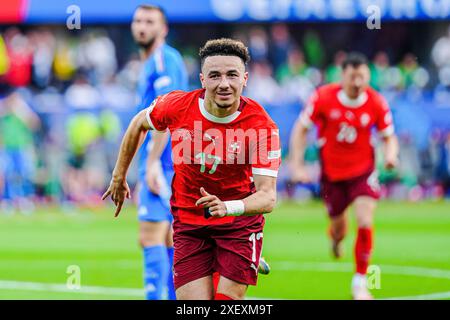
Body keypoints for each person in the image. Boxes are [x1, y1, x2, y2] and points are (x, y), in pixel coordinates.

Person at [103, 38, 280, 300]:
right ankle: (225, 262)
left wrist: (228, 207)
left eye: (232, 75)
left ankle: (233, 259)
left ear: (244, 79)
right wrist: (119, 176)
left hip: (239, 224)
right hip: (189, 222)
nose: (224, 83)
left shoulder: (261, 125)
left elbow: (268, 197)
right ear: (202, 79)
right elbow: (139, 122)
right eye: (215, 75)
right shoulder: (177, 106)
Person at [289, 52, 399, 300]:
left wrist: (391, 155)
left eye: (362, 77)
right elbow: (300, 129)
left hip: (363, 172)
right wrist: (297, 165)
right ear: (343, 76)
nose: (358, 82)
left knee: (364, 219)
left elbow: (388, 135)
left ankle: (360, 283)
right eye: (353, 77)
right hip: (333, 175)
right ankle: (336, 239)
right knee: (339, 228)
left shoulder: (376, 101)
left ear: (368, 76)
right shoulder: (323, 97)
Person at [130, 5, 188, 300]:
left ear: (163, 29)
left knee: (150, 236)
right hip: (167, 162)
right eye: (138, 20)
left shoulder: (164, 61)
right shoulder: (153, 62)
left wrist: (152, 165)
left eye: (150, 21)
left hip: (165, 162)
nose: (142, 26)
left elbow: (168, 115)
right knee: (168, 238)